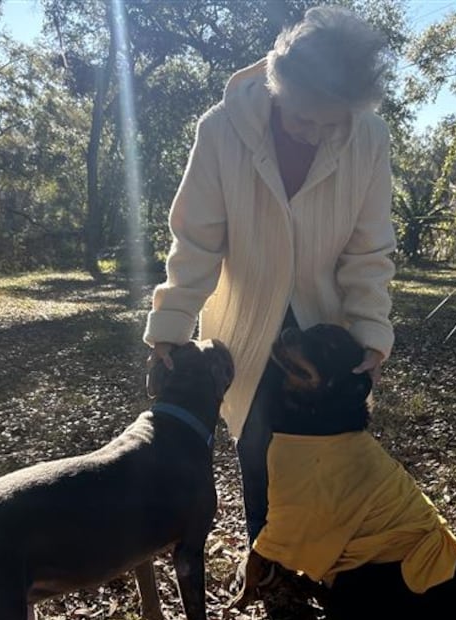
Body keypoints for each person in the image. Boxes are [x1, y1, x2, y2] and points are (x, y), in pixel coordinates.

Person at [144, 6, 396, 549]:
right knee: (257, 448)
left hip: (324, 329)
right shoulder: (220, 130)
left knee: (328, 452)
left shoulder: (370, 139)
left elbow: (368, 251)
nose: (314, 135)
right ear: (277, 86)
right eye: (303, 119)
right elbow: (197, 242)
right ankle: (265, 558)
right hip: (247, 323)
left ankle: (324, 555)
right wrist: (172, 321)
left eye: (330, 123)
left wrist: (372, 332)